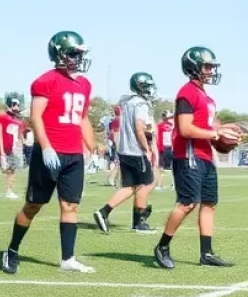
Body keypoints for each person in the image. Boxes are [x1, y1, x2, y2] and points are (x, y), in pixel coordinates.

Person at [1, 31, 96, 275]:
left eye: (80, 53)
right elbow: (36, 117)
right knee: (33, 205)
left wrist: (92, 147)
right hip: (50, 152)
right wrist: (46, 147)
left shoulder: (84, 84)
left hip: (73, 154)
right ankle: (12, 249)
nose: (78, 58)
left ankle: (68, 258)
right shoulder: (45, 81)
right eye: (74, 53)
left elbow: (83, 117)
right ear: (60, 54)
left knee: (70, 206)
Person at [154, 48, 240, 270]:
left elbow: (205, 126)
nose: (211, 70)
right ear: (194, 67)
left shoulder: (207, 97)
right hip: (188, 156)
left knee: (209, 203)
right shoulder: (187, 93)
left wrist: (222, 130)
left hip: (204, 155)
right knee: (187, 203)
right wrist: (216, 134)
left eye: (211, 67)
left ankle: (207, 252)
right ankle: (162, 246)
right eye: (207, 66)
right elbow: (185, 128)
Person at [94, 73, 158, 234]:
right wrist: (147, 148)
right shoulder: (140, 104)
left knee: (131, 186)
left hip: (125, 150)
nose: (150, 89)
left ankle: (105, 212)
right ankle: (139, 221)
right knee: (146, 183)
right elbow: (139, 127)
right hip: (136, 150)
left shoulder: (128, 102)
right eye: (147, 85)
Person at [0, 93, 26, 199]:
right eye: (15, 105)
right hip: (5, 148)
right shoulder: (3, 116)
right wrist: (2, 151)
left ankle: (7, 191)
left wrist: (21, 144)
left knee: (11, 170)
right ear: (11, 104)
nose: (17, 107)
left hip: (13, 148)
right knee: (0, 169)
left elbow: (19, 136)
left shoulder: (16, 119)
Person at [154, 111, 174, 190]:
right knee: (165, 167)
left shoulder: (160, 126)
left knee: (161, 167)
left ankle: (160, 184)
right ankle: (162, 184)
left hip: (164, 148)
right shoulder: (170, 125)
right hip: (166, 148)